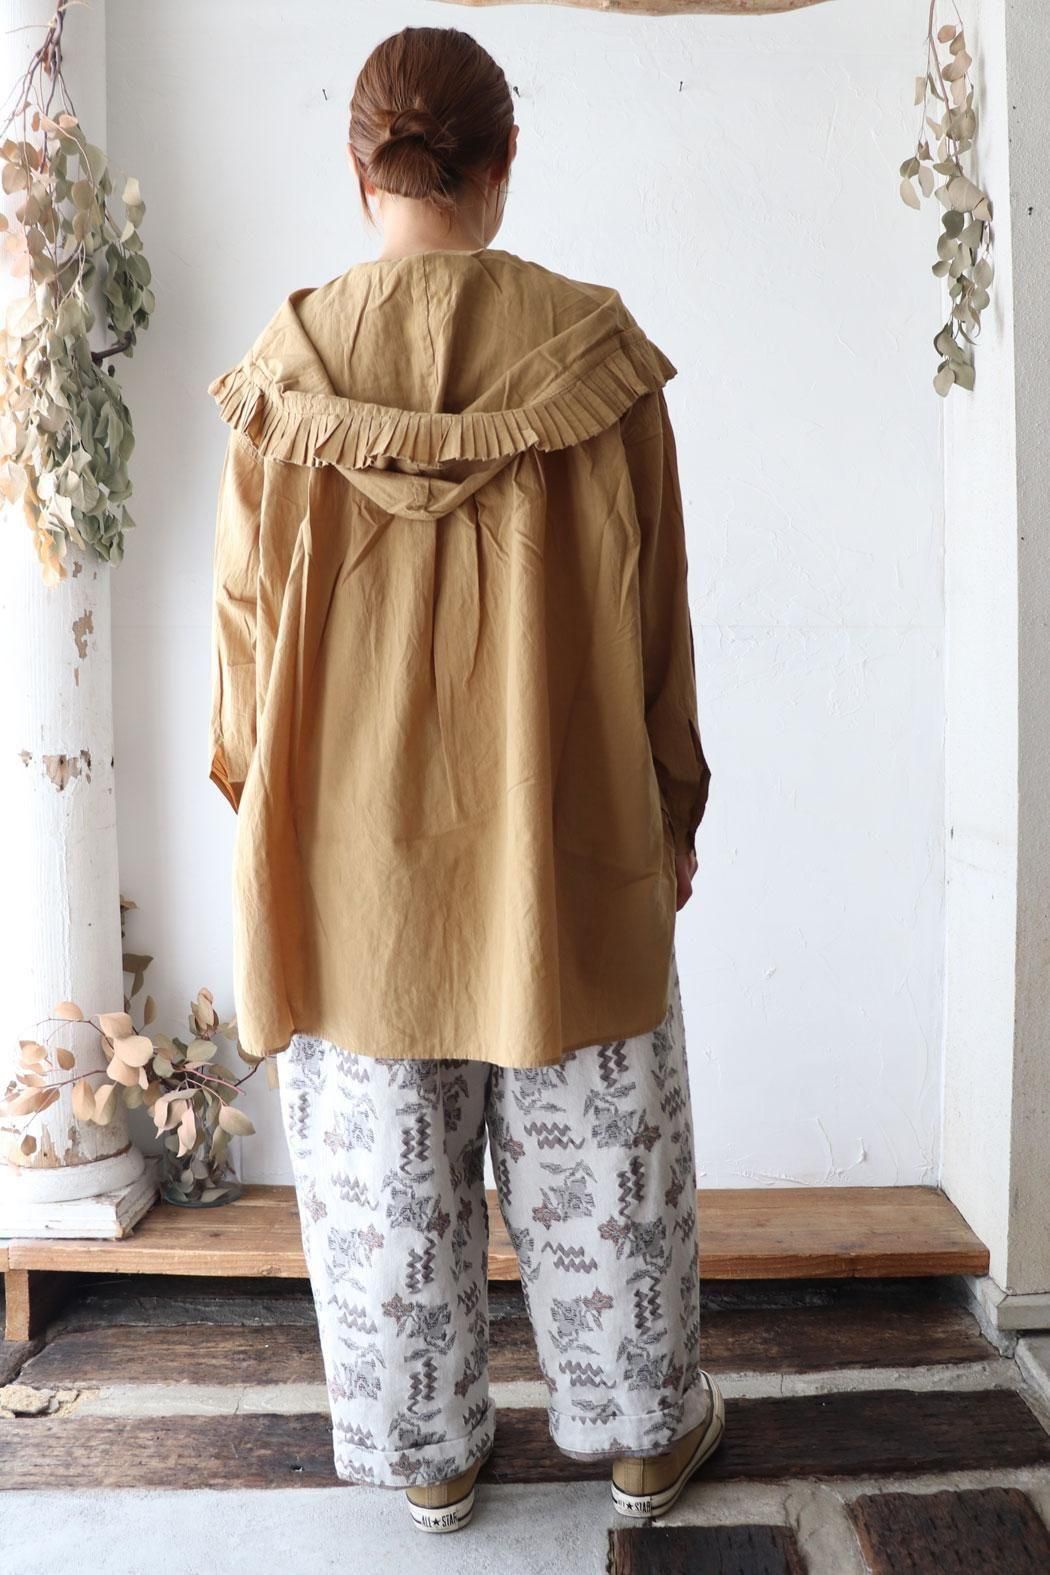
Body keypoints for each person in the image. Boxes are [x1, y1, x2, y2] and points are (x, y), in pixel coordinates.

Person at [207, 23, 721, 1534]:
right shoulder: (598, 357)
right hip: (563, 831)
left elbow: (243, 637)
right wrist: (672, 804)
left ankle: (427, 1457)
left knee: (381, 1177)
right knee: (601, 1157)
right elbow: (656, 611)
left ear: (359, 168)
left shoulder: (284, 377)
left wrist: (262, 811)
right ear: (502, 163)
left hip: (348, 855)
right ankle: (643, 1440)